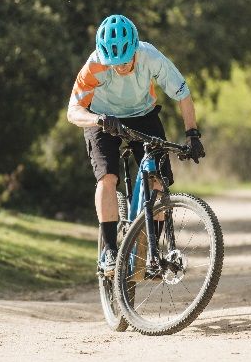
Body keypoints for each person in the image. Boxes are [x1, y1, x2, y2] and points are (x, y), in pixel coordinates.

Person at [66, 14, 206, 275]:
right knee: (107, 178)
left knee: (158, 182)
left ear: (135, 49)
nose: (119, 67)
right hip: (102, 119)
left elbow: (183, 94)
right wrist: (98, 119)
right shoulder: (94, 65)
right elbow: (72, 111)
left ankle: (152, 254)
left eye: (125, 61)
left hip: (143, 116)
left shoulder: (150, 56)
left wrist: (193, 134)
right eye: (113, 63)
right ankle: (109, 251)